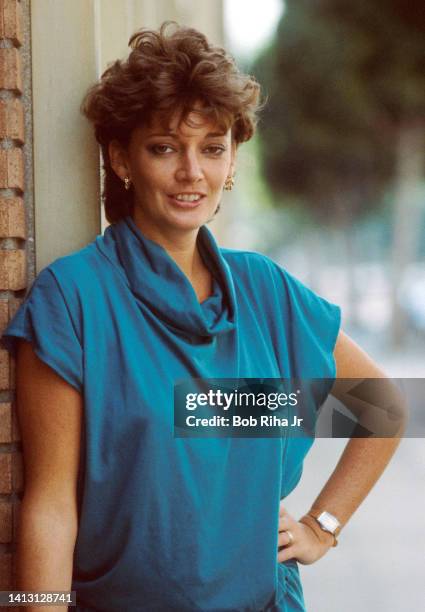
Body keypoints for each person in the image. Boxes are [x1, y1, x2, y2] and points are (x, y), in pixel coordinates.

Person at [1, 21, 405, 612]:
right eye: (164, 148)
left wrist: (324, 525)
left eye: (212, 148)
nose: (192, 172)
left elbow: (384, 408)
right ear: (121, 159)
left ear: (232, 161)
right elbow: (50, 506)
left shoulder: (266, 291)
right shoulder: (73, 297)